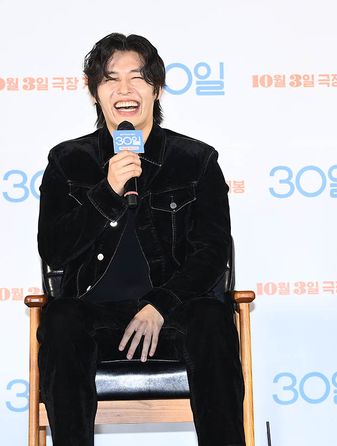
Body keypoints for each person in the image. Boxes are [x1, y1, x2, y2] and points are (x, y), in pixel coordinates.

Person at [37, 33, 244, 446]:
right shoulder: (67, 161)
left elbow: (211, 251)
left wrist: (160, 305)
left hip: (174, 313)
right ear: (94, 91)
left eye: (137, 77)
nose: (124, 89)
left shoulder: (197, 160)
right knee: (60, 320)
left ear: (157, 88)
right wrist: (106, 192)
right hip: (93, 315)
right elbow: (54, 250)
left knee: (213, 318)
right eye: (111, 79)